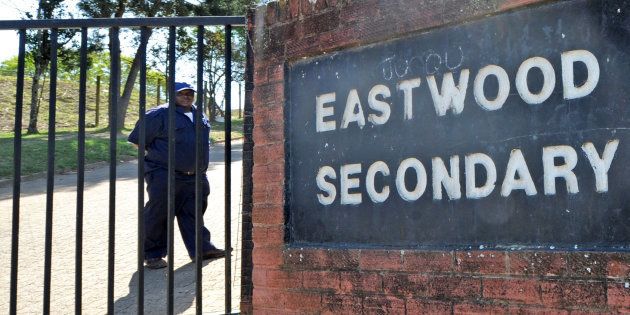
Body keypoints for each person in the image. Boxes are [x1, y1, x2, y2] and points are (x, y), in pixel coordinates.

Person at [128, 81, 226, 269]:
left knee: (194, 213)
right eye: (181, 93)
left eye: (190, 93)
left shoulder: (199, 114)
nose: (187, 96)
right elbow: (138, 141)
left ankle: (202, 249)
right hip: (164, 174)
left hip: (196, 175)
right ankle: (153, 255)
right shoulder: (158, 114)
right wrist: (160, 158)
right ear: (172, 95)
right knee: (159, 214)